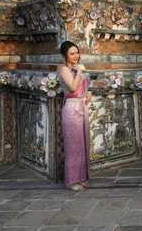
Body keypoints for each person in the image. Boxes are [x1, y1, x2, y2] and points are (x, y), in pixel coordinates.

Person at [57, 41, 92, 191]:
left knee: (83, 144)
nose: (75, 56)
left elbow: (85, 86)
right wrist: (78, 72)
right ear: (65, 55)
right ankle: (72, 180)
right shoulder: (63, 68)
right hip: (71, 109)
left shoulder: (78, 68)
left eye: (77, 52)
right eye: (72, 53)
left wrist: (89, 93)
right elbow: (71, 87)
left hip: (82, 106)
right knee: (73, 146)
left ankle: (82, 177)